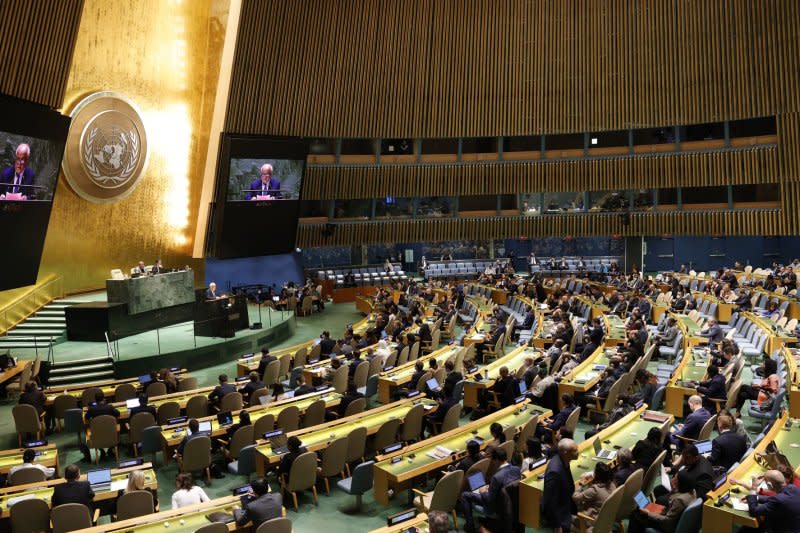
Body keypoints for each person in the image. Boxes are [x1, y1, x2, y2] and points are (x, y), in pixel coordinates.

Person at [460, 447, 521, 533]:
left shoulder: (496, 477)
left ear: (496, 460)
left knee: (464, 495)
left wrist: (483, 491)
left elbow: (489, 500)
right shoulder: (516, 469)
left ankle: (470, 527)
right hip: (513, 505)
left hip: (497, 507)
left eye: (492, 460)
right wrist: (491, 488)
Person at [627, 470, 696, 533]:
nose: (673, 479)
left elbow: (667, 520)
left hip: (667, 526)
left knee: (636, 516)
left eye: (675, 478)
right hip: (671, 515)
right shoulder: (692, 490)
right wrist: (674, 488)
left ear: (680, 483)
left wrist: (648, 513)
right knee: (645, 507)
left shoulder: (679, 500)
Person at [541, 438, 578, 533]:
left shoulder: (564, 460)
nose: (578, 452)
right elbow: (550, 501)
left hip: (566, 505)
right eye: (575, 450)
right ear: (565, 452)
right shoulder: (555, 471)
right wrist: (557, 525)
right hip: (560, 515)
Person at [573, 462, 616, 528]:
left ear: (597, 476)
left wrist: (581, 484)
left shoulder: (594, 490)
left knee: (568, 515)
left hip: (592, 521)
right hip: (607, 518)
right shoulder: (612, 485)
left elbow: (575, 497)